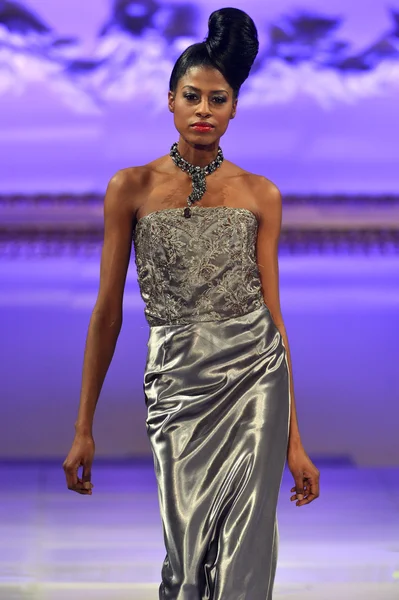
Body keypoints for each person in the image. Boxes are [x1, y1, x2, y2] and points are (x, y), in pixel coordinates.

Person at [63, 7, 320, 599]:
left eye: (218, 99)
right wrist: (84, 427)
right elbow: (107, 311)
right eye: (192, 96)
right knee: (185, 555)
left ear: (234, 109)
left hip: (255, 378)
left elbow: (274, 319)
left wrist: (294, 440)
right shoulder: (130, 187)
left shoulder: (261, 194)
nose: (204, 109)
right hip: (176, 381)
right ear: (171, 101)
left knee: (244, 556)